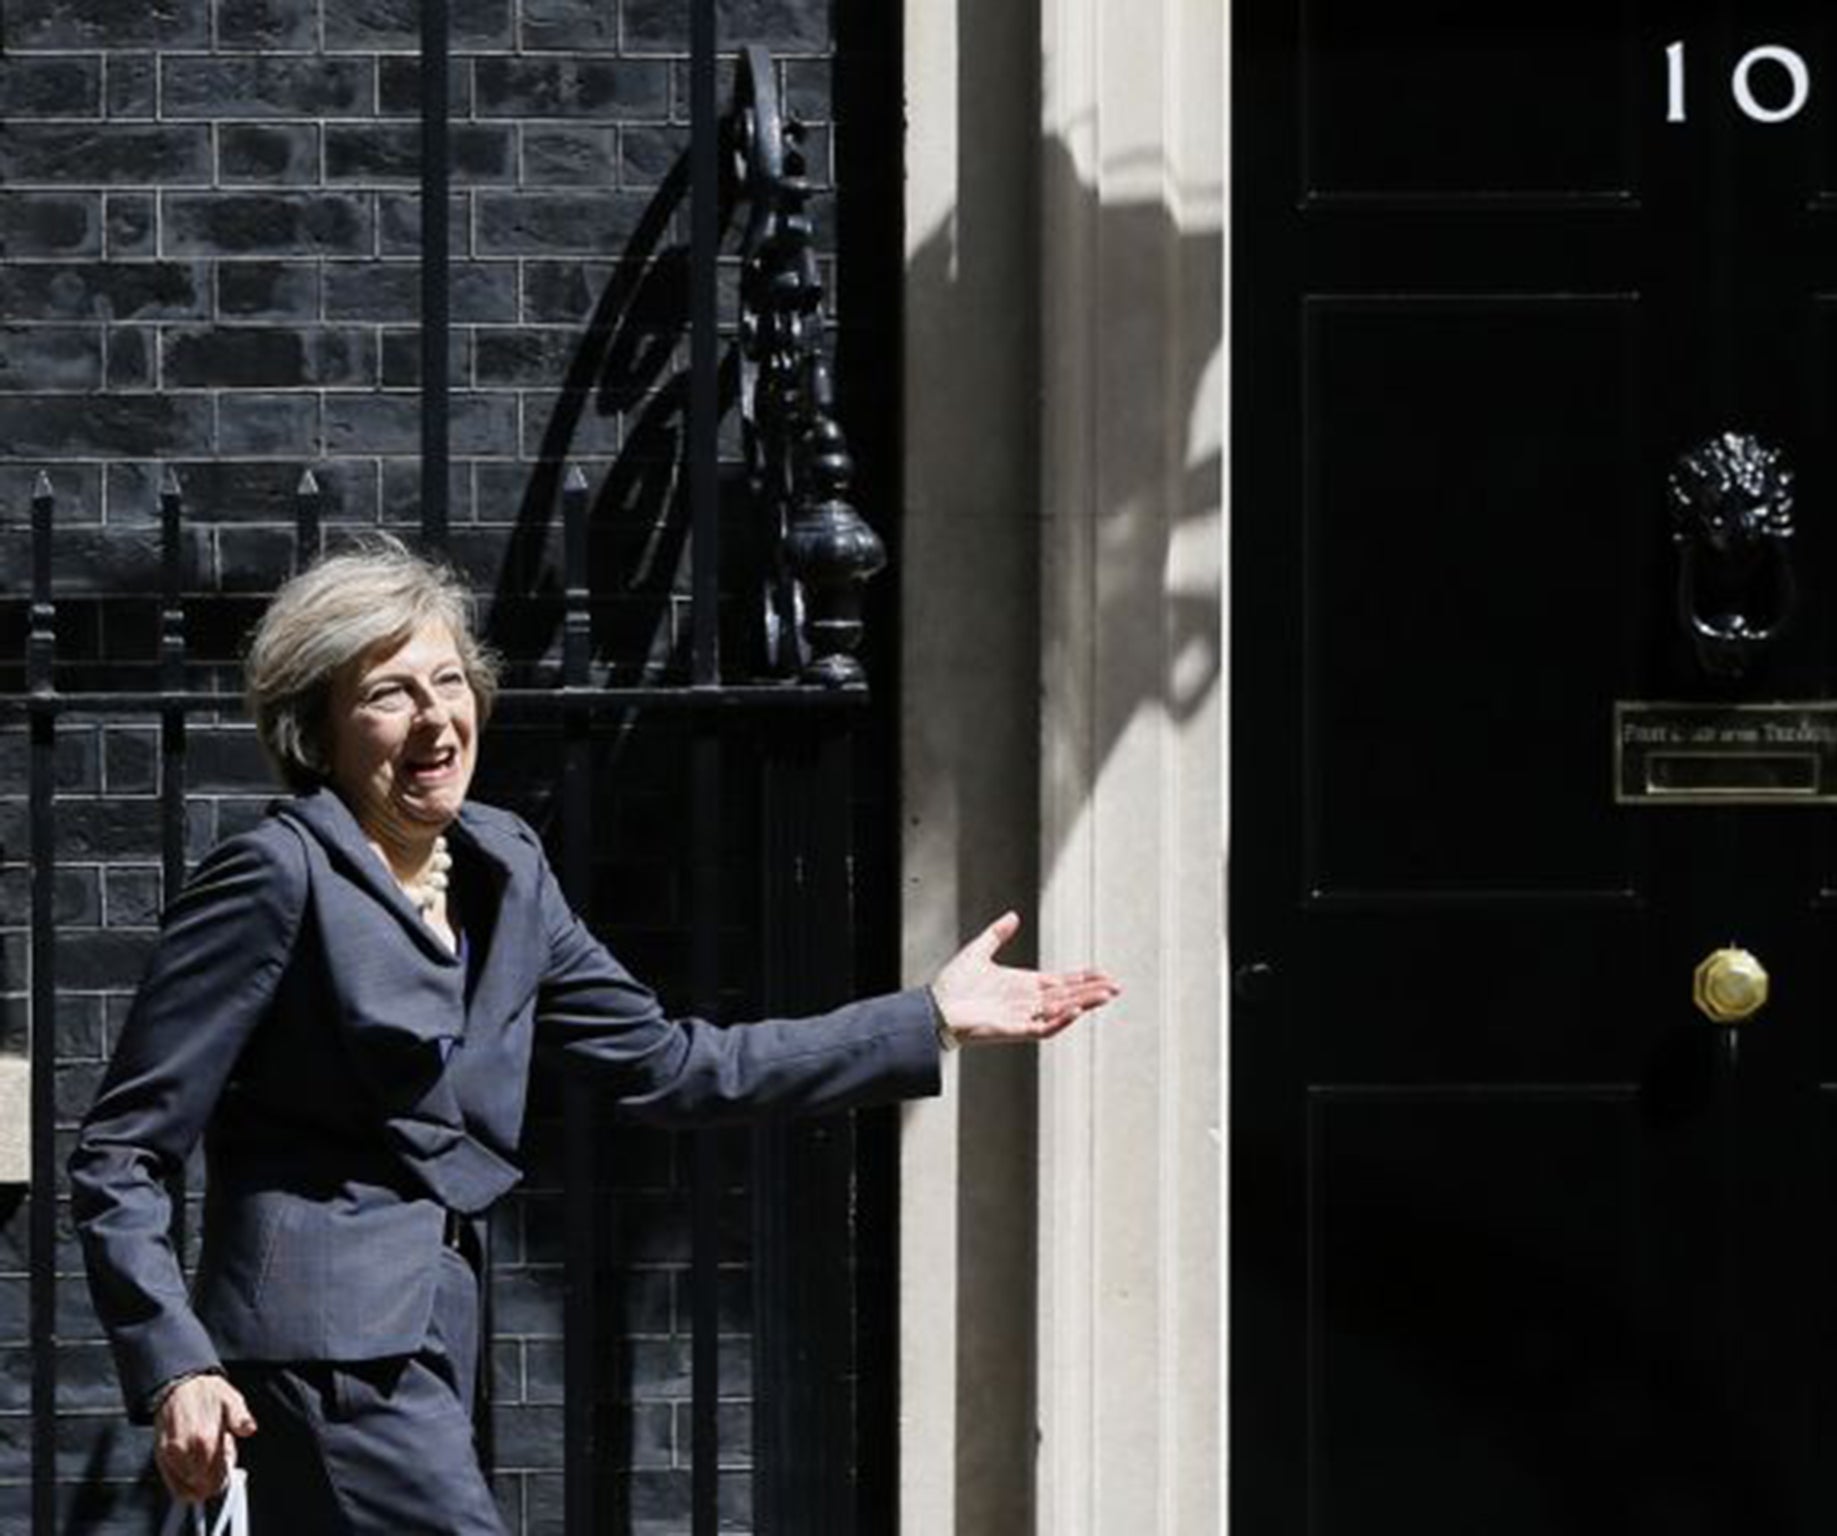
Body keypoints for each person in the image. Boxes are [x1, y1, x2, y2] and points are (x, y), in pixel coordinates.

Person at [68, 540, 1118, 1531]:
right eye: (388, 695)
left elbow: (670, 1063)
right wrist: (175, 1361)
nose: (435, 721)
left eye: (447, 683)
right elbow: (123, 1149)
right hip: (318, 1351)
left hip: (430, 1332)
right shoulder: (276, 876)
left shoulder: (504, 867)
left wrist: (923, 1019)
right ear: (319, 730)